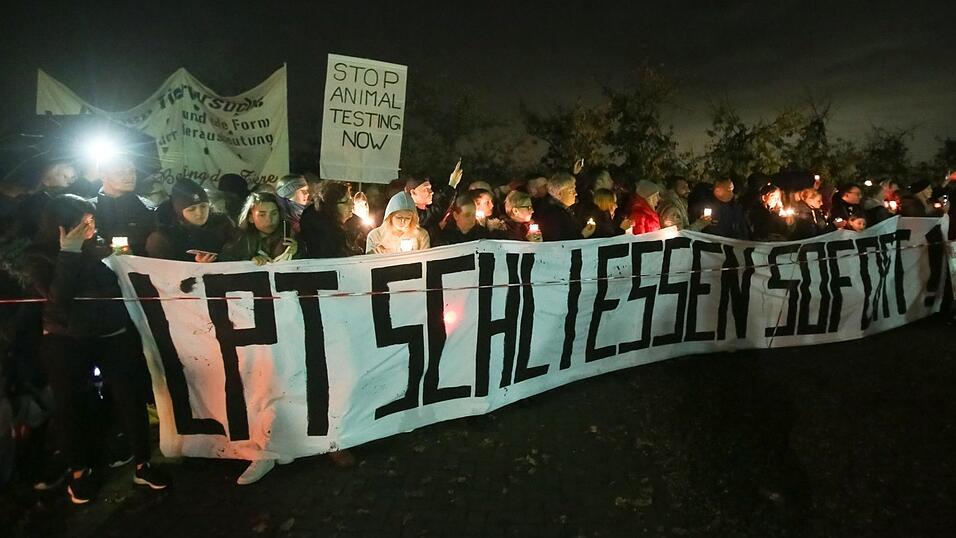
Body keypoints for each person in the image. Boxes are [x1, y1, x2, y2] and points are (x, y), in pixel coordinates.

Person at [25, 195, 169, 504]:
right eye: (83, 224)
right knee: (71, 406)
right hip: (66, 340)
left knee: (129, 397)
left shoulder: (100, 247)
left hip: (113, 334)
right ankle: (80, 470)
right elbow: (57, 299)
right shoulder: (40, 256)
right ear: (61, 227)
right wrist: (69, 253)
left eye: (92, 222)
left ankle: (143, 463)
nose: (91, 228)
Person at [145, 178, 235, 262]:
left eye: (203, 206)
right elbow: (163, 272)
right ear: (179, 212)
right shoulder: (162, 238)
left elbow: (236, 254)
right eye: (191, 209)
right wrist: (198, 268)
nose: (199, 213)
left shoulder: (222, 225)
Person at [91, 157, 157, 256]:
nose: (130, 177)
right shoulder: (88, 209)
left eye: (132, 171)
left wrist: (133, 256)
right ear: (103, 175)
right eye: (120, 173)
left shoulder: (148, 208)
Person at [220, 192, 298, 264]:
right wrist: (250, 261)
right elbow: (226, 263)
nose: (269, 220)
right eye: (262, 215)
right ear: (251, 218)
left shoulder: (289, 234)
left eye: (274, 213)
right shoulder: (239, 240)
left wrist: (297, 252)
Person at [300, 181, 366, 258]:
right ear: (332, 207)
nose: (352, 204)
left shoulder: (354, 224)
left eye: (351, 199)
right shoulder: (326, 236)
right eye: (346, 201)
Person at [535, 172, 596, 241]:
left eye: (574, 189)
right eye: (571, 190)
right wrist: (584, 234)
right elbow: (564, 241)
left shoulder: (564, 210)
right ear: (559, 193)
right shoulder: (554, 215)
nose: (575, 193)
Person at [406, 164, 462, 237]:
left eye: (430, 188)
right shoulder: (412, 214)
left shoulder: (428, 210)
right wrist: (451, 185)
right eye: (426, 189)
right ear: (413, 192)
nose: (431, 192)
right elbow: (435, 213)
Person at [366, 192, 430, 254]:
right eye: (399, 217)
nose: (403, 221)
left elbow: (426, 261)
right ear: (390, 216)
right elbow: (367, 262)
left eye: (408, 218)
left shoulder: (421, 235)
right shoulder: (375, 236)